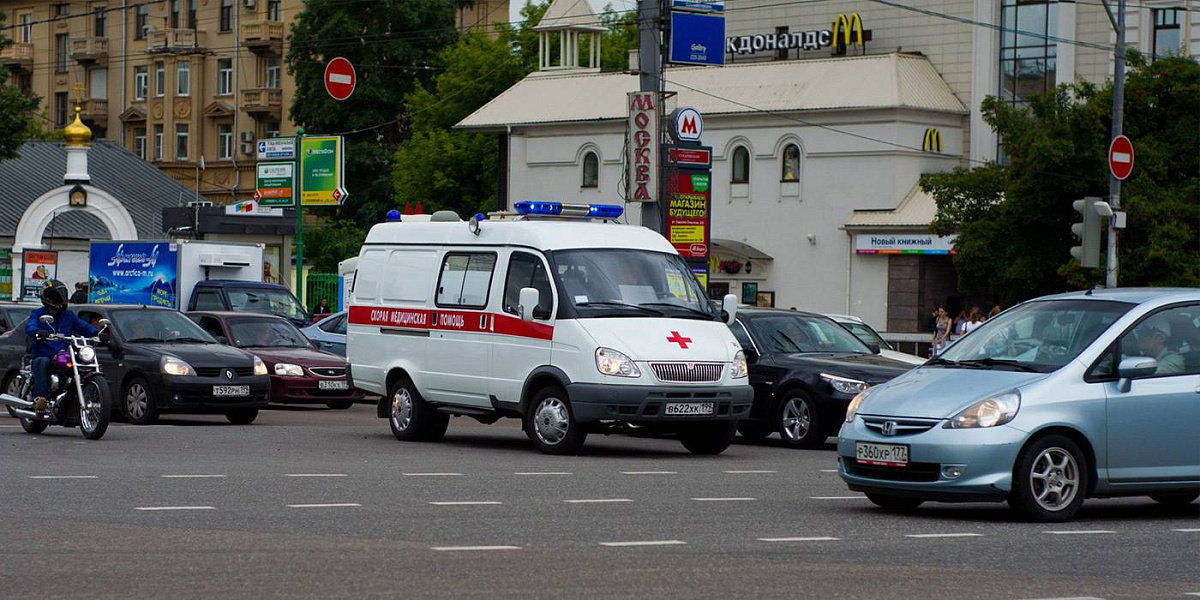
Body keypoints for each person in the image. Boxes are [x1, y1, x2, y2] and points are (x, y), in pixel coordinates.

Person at [26, 281, 99, 412]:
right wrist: (37, 331)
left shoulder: (68, 316)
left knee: (81, 366)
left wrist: (98, 334)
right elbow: (31, 326)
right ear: (50, 298)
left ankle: (70, 400)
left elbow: (84, 327)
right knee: (42, 362)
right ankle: (40, 398)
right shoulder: (38, 314)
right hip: (43, 354)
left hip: (63, 354)